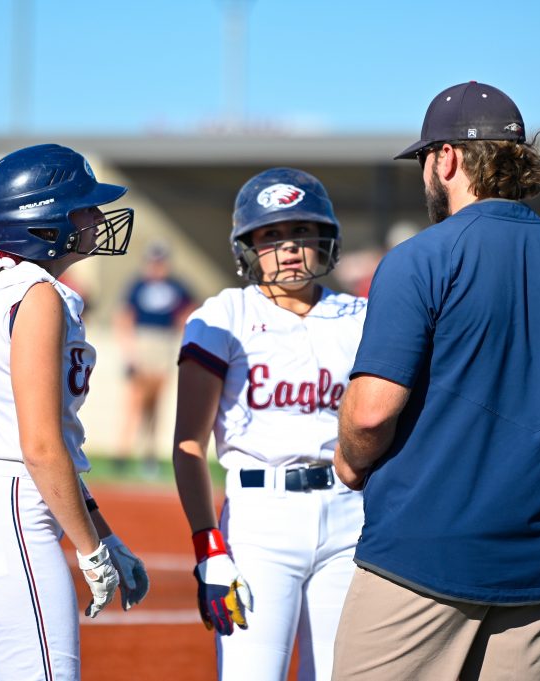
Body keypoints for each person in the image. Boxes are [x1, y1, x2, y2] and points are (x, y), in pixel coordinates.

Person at [331, 81, 540, 680]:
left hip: (419, 559)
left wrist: (352, 460)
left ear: (447, 158)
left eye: (424, 160)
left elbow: (369, 413)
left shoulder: (421, 258)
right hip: (536, 571)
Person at [0, 144, 149, 679]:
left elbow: (48, 448)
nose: (96, 217)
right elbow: (42, 447)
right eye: (83, 206)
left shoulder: (3, 284)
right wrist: (92, 551)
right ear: (45, 220)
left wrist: (105, 534)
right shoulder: (39, 293)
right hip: (11, 509)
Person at [172, 167, 367, 681]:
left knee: (339, 675)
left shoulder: (363, 316)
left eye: (301, 231)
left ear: (326, 237)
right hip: (260, 519)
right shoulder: (224, 315)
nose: (288, 247)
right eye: (271, 235)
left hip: (351, 513)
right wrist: (208, 547)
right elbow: (188, 444)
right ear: (247, 247)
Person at [114, 240, 194, 477]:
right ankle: (123, 453)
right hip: (143, 343)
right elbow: (125, 317)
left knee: (156, 404)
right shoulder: (138, 285)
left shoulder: (177, 286)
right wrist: (130, 351)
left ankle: (149, 455)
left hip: (164, 344)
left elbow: (189, 312)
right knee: (136, 401)